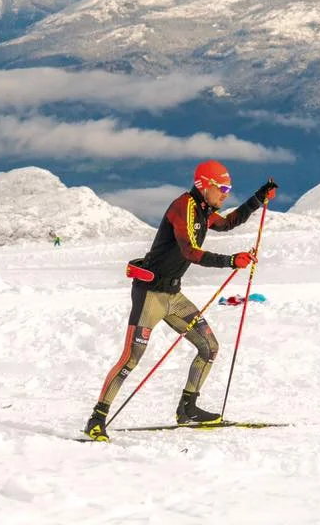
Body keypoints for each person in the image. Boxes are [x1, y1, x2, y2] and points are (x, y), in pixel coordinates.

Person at [82, 160, 277, 442]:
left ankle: (188, 408)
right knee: (131, 359)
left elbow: (229, 223)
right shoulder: (183, 207)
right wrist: (230, 261)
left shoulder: (205, 210)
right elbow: (190, 252)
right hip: (150, 295)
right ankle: (96, 419)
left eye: (228, 188)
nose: (225, 194)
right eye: (222, 188)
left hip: (173, 296)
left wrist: (259, 197)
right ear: (204, 185)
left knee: (209, 347)